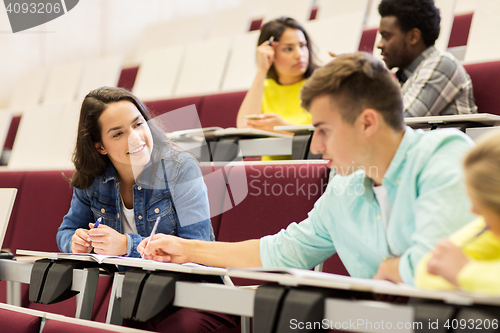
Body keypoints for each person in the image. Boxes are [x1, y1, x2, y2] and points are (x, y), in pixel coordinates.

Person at [138, 53, 475, 285]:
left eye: (324, 130)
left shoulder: (446, 158)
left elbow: (436, 270)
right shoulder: (345, 190)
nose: (315, 146)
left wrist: (394, 268)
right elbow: (281, 251)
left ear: (367, 123)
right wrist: (186, 250)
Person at [56, 87, 239, 332]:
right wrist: (75, 242)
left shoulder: (181, 169)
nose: (135, 137)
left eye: (138, 124)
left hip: (200, 299)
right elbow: (66, 231)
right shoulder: (92, 179)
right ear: (100, 146)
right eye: (118, 133)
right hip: (140, 300)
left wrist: (126, 246)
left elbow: (198, 251)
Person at [415, 133, 500, 296]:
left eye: (479, 205)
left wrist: (464, 272)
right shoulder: (489, 227)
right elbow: (427, 270)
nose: (473, 212)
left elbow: (450, 269)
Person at [377, 0, 477, 117]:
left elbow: (398, 123)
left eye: (386, 36)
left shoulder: (442, 64)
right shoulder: (405, 77)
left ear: (413, 37)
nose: (379, 45)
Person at [236, 17, 317, 133]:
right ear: (271, 52)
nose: (300, 54)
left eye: (302, 45)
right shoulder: (263, 87)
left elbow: (327, 137)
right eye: (288, 49)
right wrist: (261, 70)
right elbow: (245, 127)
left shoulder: (322, 84)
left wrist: (281, 128)